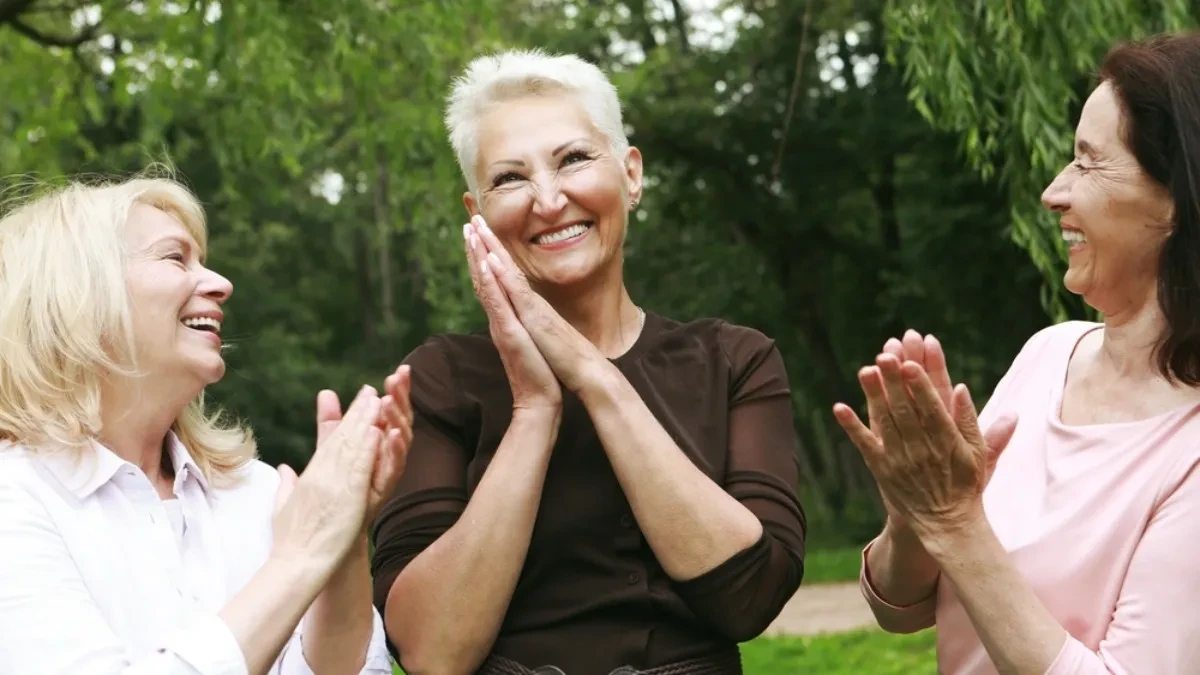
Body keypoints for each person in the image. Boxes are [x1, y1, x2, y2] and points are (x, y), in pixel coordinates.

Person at [370, 49, 807, 675]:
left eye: (574, 159)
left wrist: (595, 377)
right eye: (510, 178)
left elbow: (751, 598)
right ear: (478, 215)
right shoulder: (439, 379)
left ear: (631, 174)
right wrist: (535, 409)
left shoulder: (735, 359)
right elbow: (431, 651)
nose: (548, 200)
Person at [834, 32, 1200, 675]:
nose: (1053, 192)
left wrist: (954, 523)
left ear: (1176, 202)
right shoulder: (1047, 356)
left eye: (1088, 163)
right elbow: (899, 605)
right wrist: (914, 513)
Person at [0, 173, 412, 675]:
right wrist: (302, 555)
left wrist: (344, 541)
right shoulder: (16, 494)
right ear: (78, 294)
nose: (221, 284)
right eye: (176, 258)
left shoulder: (258, 490)